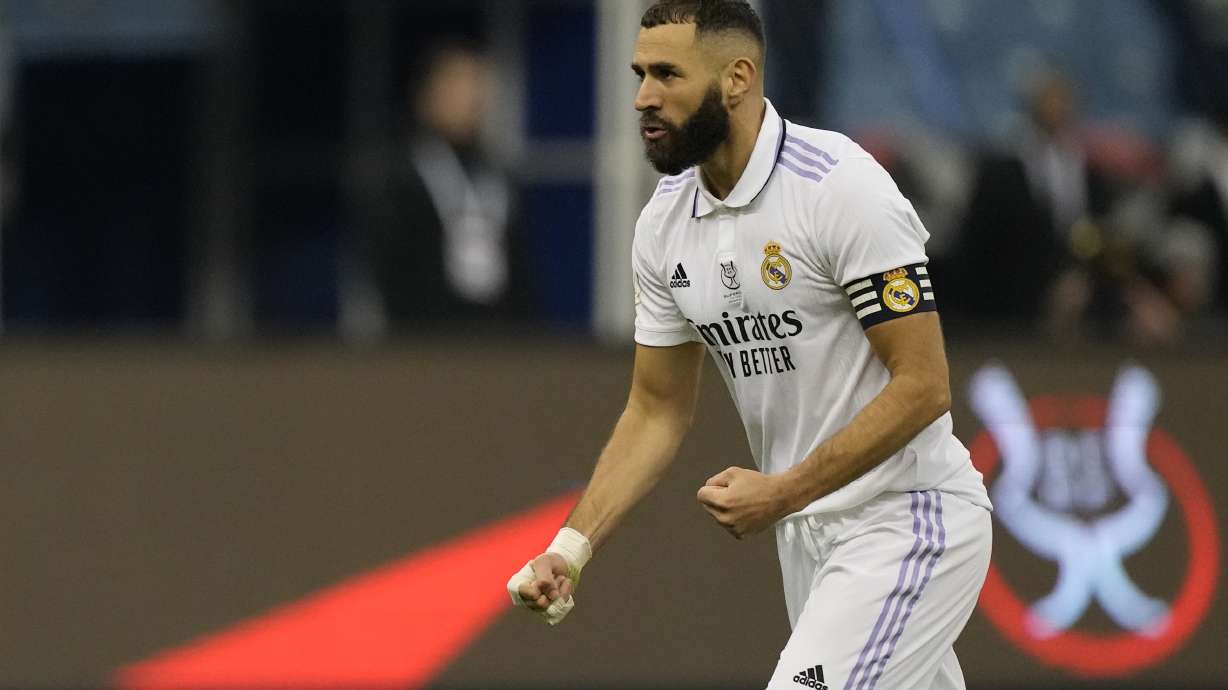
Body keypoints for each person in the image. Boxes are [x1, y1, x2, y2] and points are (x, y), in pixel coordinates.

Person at [507, 2, 992, 689]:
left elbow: (923, 385)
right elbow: (655, 410)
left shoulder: (839, 187)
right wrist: (572, 548)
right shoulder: (664, 224)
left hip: (907, 521)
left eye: (668, 74)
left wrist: (784, 490)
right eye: (641, 73)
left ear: (737, 77)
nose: (645, 96)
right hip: (808, 542)